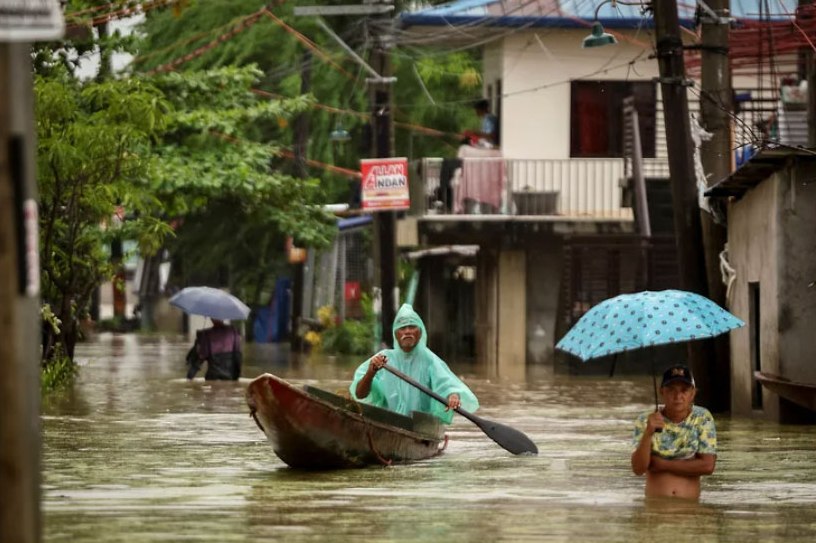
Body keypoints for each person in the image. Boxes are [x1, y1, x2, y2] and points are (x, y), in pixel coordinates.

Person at [349, 303, 478, 424]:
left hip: (420, 424)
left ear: (420, 332)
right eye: (403, 328)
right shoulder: (382, 359)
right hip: (389, 420)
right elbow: (360, 395)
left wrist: (453, 396)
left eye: (412, 327)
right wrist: (371, 372)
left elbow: (447, 384)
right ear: (396, 334)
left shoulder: (429, 359)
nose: (407, 331)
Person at [631, 364, 717, 500]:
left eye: (684, 390)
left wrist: (663, 464)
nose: (678, 396)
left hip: (690, 510)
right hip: (655, 507)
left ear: (693, 393)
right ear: (661, 392)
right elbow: (638, 469)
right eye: (671, 390)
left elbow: (707, 466)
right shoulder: (646, 419)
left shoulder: (702, 418)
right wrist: (648, 432)